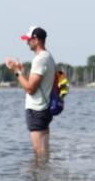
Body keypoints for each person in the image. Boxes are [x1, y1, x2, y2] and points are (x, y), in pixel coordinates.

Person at [5, 26, 57, 159]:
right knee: (43, 153)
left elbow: (30, 88)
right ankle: (43, 177)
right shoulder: (47, 57)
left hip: (37, 110)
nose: (26, 42)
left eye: (29, 39)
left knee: (39, 153)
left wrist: (16, 71)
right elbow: (36, 83)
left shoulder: (40, 59)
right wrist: (22, 72)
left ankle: (39, 178)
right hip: (43, 109)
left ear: (36, 40)